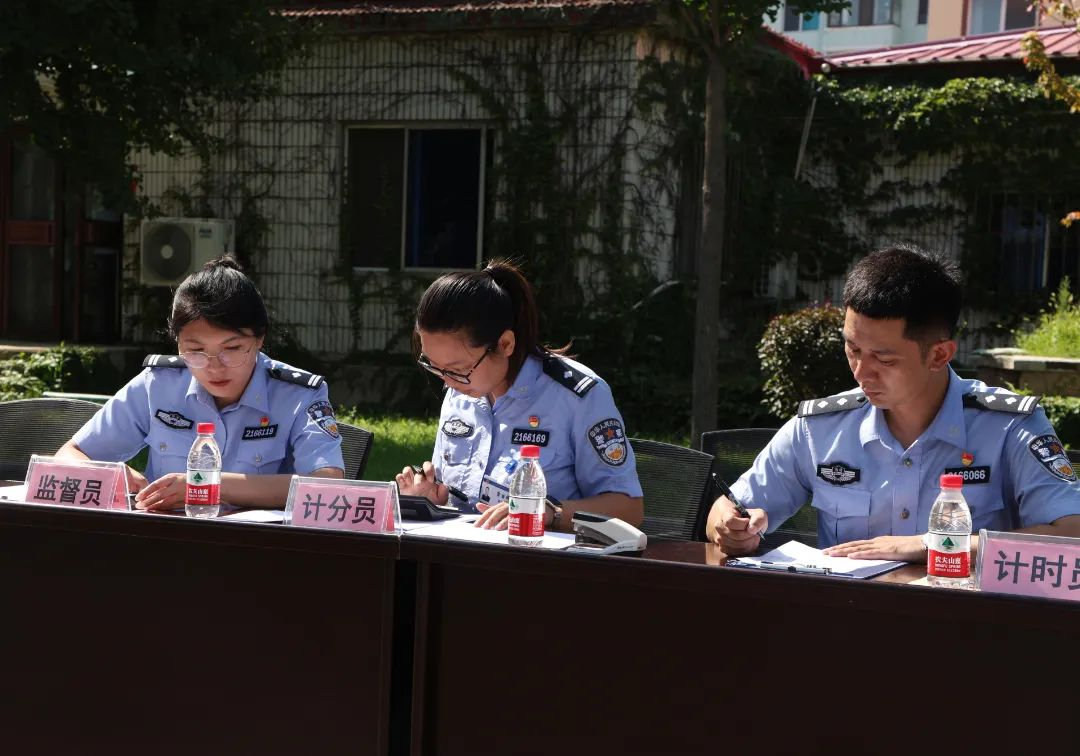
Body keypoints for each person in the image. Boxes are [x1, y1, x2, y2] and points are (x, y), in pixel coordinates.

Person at [707, 244, 1080, 561]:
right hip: (849, 615)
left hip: (963, 618)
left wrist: (930, 544)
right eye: (853, 349)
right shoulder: (820, 428)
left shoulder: (1009, 427)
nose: (861, 372)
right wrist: (732, 526)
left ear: (939, 355)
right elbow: (725, 510)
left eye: (884, 360)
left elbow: (1070, 533)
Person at [58, 257, 344, 510]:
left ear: (260, 339)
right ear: (178, 344)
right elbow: (69, 456)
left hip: (259, 545)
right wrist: (110, 476)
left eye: (232, 349)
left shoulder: (298, 394)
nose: (214, 366)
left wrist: (206, 485)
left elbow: (326, 485)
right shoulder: (158, 384)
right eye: (195, 351)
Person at [395, 259, 643, 531]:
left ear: (505, 344)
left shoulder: (577, 397)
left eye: (458, 370)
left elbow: (629, 509)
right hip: (464, 550)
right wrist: (430, 500)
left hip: (537, 553)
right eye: (434, 367)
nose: (448, 382)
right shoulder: (461, 389)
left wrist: (550, 512)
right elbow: (454, 496)